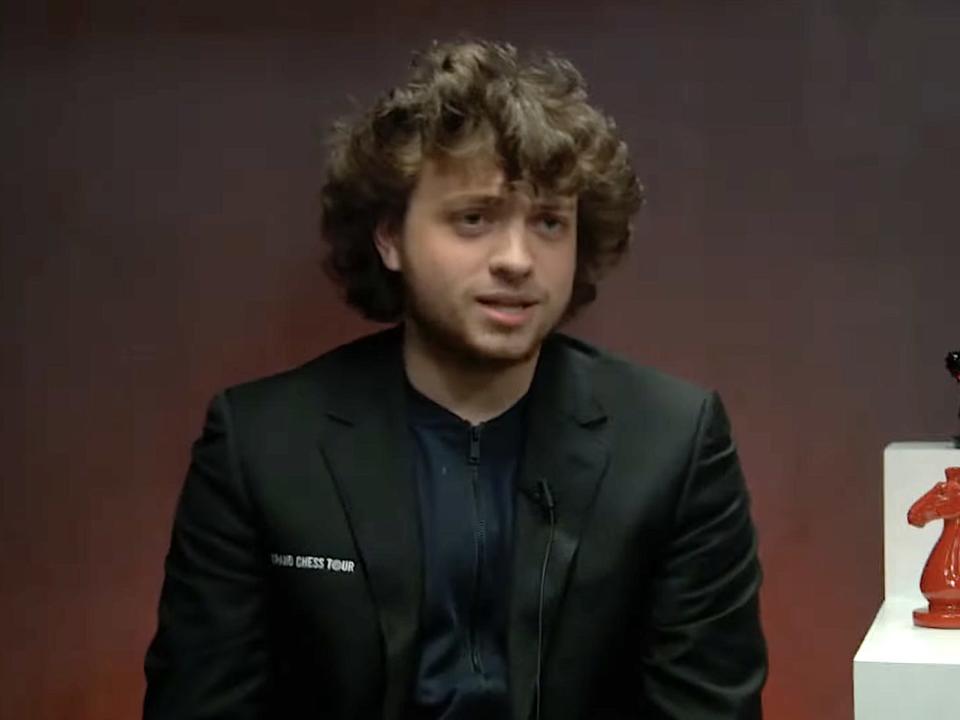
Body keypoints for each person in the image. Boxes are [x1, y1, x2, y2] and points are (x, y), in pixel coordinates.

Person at [143, 39, 767, 720]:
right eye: (475, 219)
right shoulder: (260, 444)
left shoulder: (674, 443)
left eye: (550, 222)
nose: (518, 260)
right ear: (390, 237)